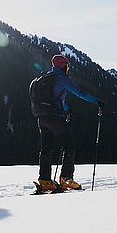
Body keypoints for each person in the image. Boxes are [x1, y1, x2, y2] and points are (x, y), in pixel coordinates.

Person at [30, 54, 104, 192]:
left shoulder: (44, 78)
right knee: (69, 146)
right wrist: (97, 101)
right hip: (54, 118)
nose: (68, 68)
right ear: (64, 66)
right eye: (67, 66)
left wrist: (67, 110)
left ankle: (45, 180)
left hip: (41, 118)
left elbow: (57, 99)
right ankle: (66, 179)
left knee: (46, 149)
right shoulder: (61, 78)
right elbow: (79, 92)